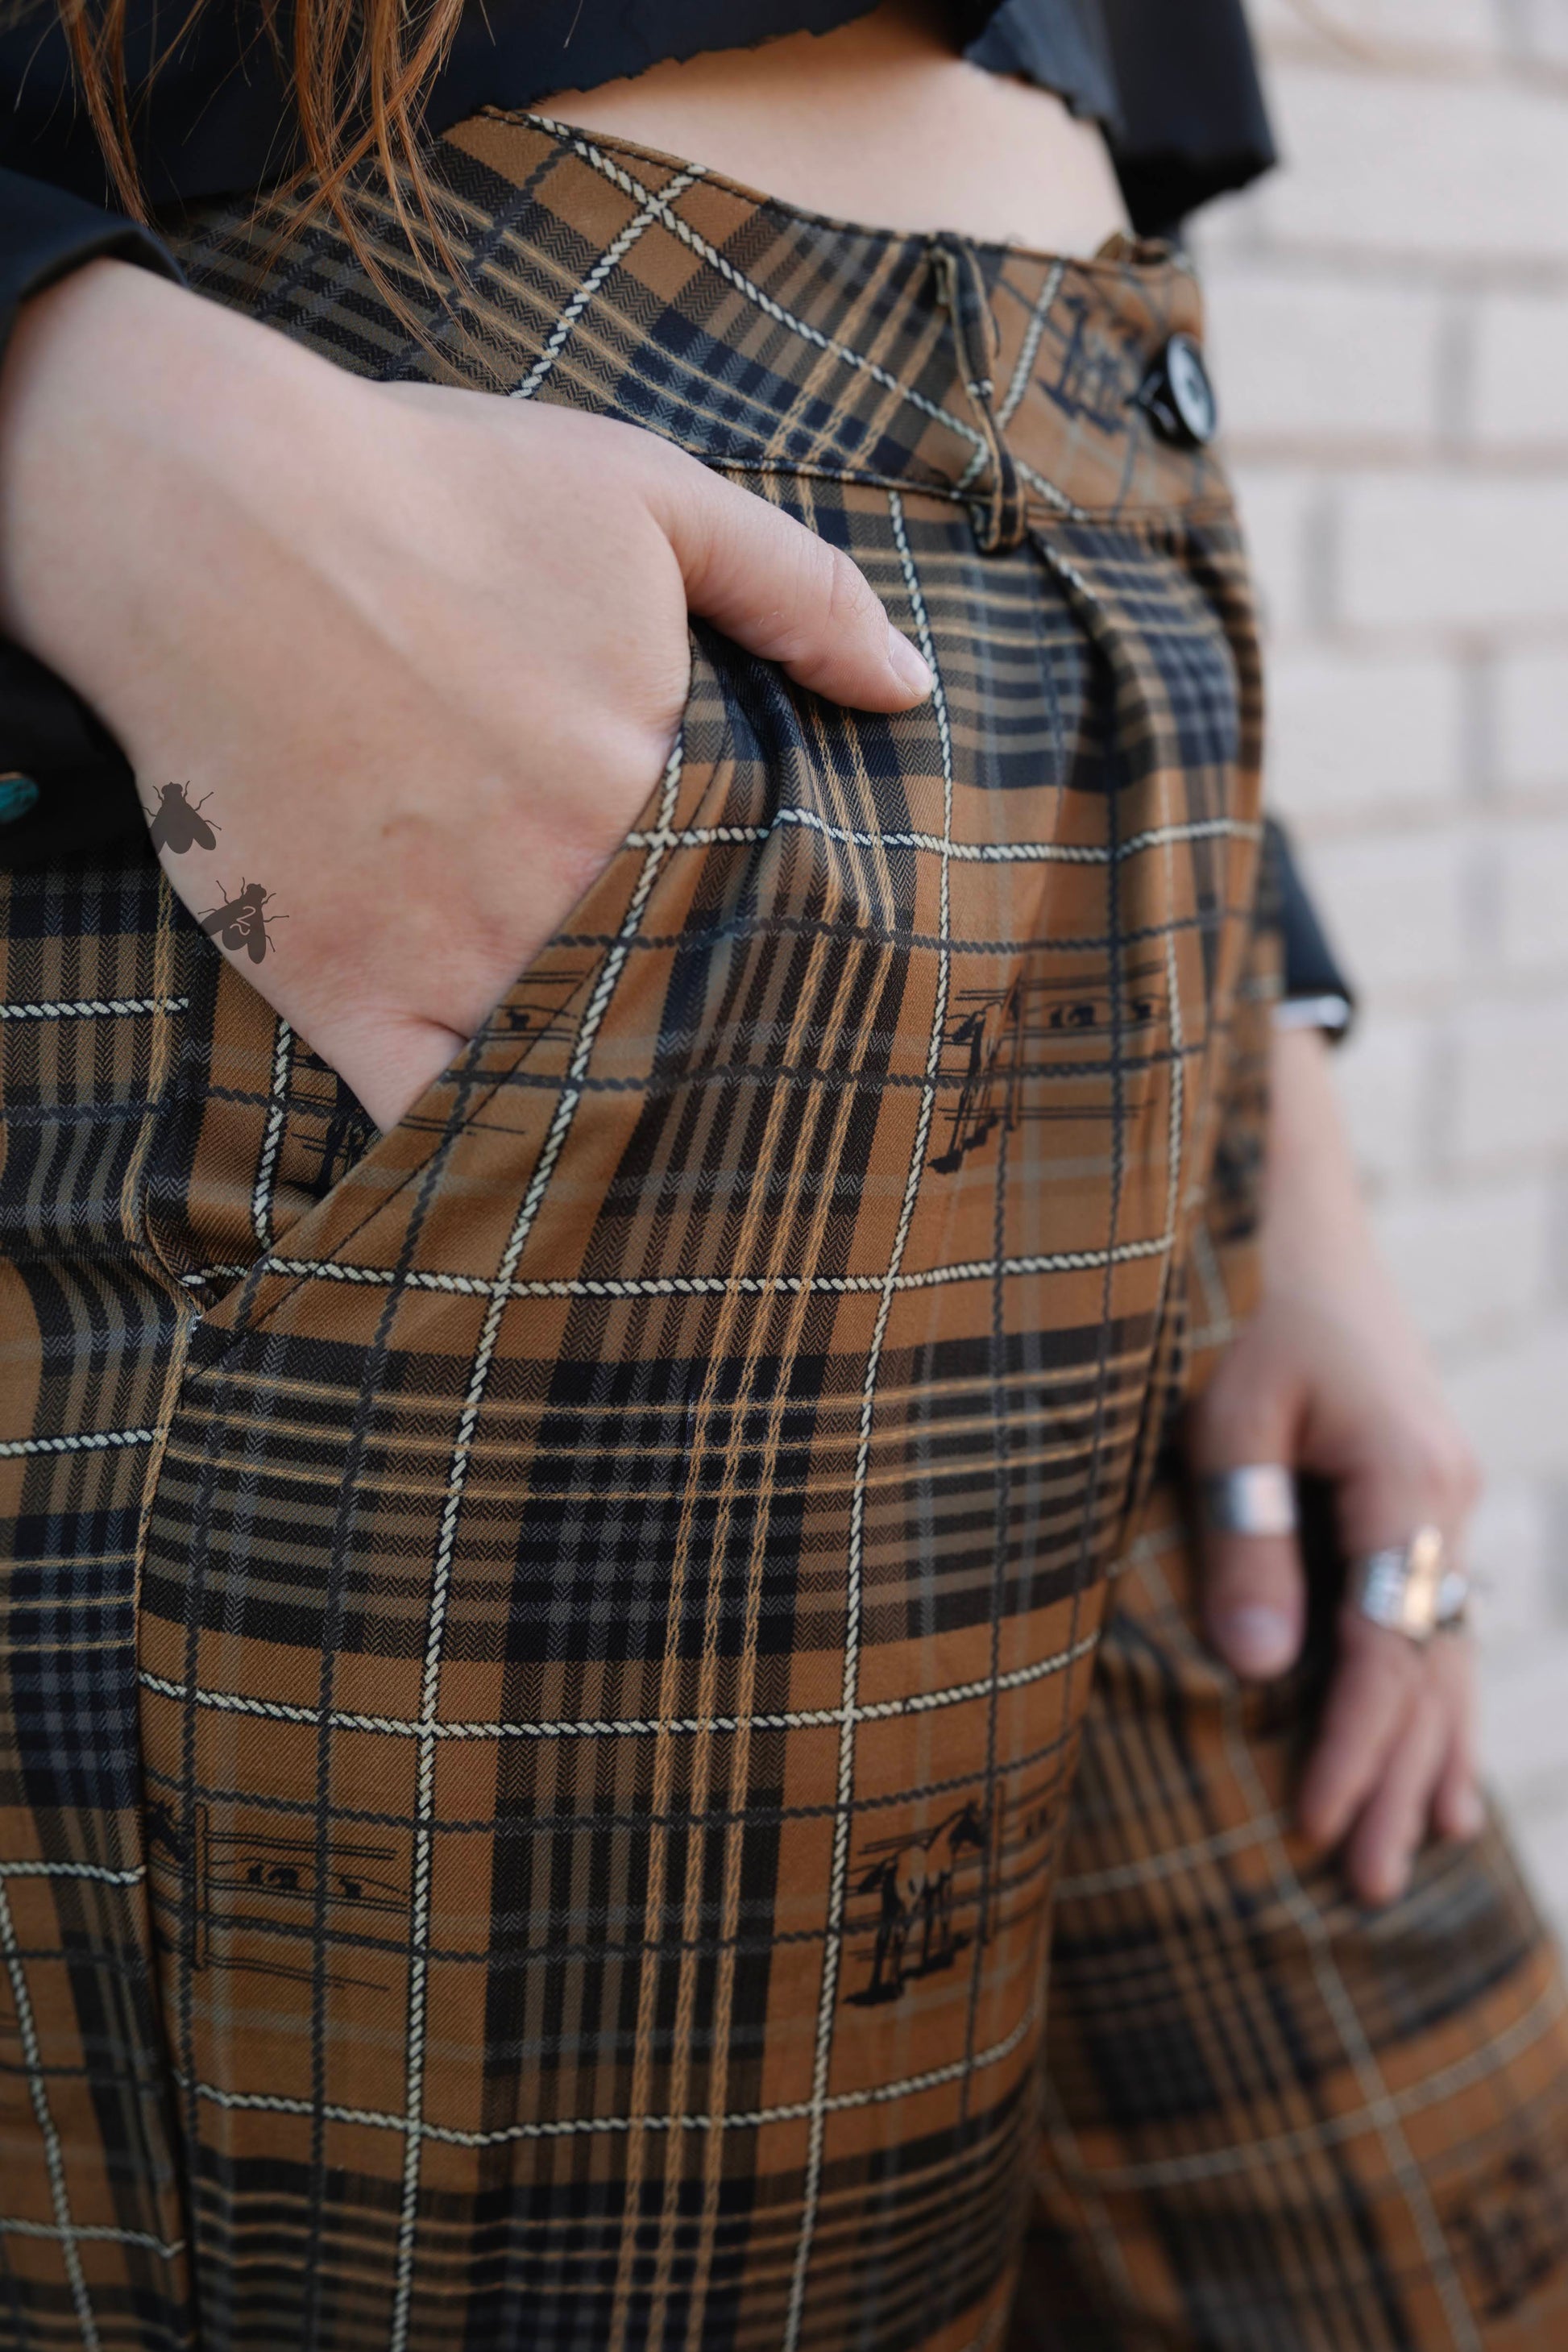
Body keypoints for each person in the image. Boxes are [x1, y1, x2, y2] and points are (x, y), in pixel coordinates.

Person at [1, 2, 1566, 2345]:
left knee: (1414, 2248)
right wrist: (72, 408)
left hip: (1125, 890)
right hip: (461, 645)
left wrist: (1298, 1201)